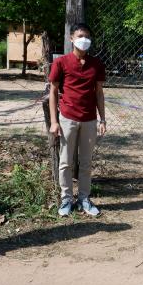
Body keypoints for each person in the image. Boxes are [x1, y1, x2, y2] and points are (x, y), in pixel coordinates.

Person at [49, 23, 106, 217]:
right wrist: (54, 122)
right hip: (67, 118)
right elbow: (53, 92)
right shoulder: (61, 63)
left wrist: (102, 119)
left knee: (86, 162)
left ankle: (84, 198)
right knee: (65, 162)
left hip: (89, 120)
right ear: (71, 38)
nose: (84, 40)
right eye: (80, 36)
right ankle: (66, 199)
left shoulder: (96, 64)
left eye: (87, 36)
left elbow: (99, 93)